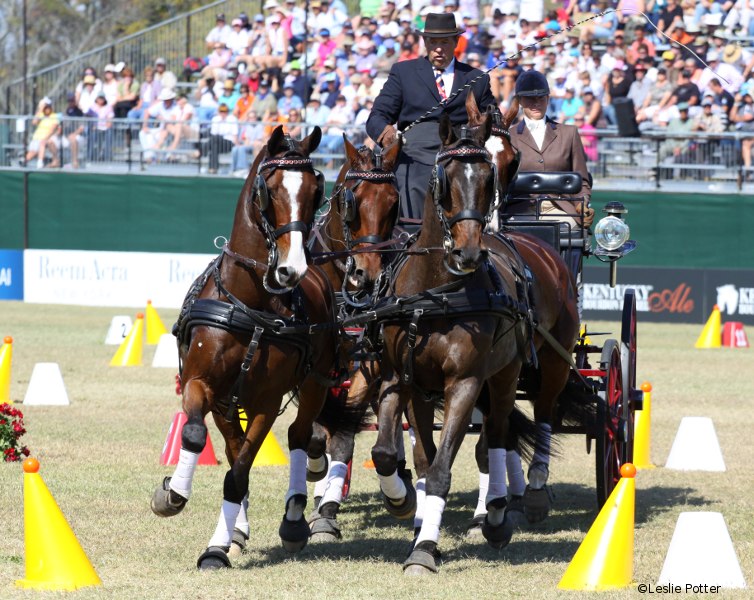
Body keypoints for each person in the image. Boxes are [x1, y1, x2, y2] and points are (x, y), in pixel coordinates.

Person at [365, 12, 495, 220]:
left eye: (444, 42)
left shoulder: (476, 78)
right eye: (433, 42)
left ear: (456, 42)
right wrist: (386, 133)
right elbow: (377, 116)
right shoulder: (403, 72)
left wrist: (484, 124)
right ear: (425, 42)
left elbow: (493, 120)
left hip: (461, 157)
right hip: (413, 155)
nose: (438, 49)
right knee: (406, 185)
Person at [507, 69, 593, 230]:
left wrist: (583, 203)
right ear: (519, 101)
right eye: (529, 99)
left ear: (548, 99)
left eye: (540, 98)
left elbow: (582, 180)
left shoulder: (569, 134)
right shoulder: (508, 137)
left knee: (570, 229)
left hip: (559, 207)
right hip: (520, 208)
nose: (536, 103)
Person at [25, 97, 61, 168]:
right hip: (36, 138)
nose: (46, 109)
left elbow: (52, 130)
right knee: (32, 153)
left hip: (47, 139)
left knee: (42, 144)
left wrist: (45, 139)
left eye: (47, 107)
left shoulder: (55, 116)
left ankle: (40, 163)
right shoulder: (41, 115)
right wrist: (40, 109)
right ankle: (24, 163)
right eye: (45, 107)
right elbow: (34, 122)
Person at [208, 103, 238, 174]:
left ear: (227, 111)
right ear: (218, 111)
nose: (223, 113)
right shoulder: (215, 119)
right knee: (214, 145)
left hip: (229, 143)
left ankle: (200, 151)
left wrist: (237, 145)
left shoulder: (232, 119)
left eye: (225, 111)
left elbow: (235, 134)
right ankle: (213, 168)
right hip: (217, 142)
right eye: (221, 111)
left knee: (214, 141)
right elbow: (214, 133)